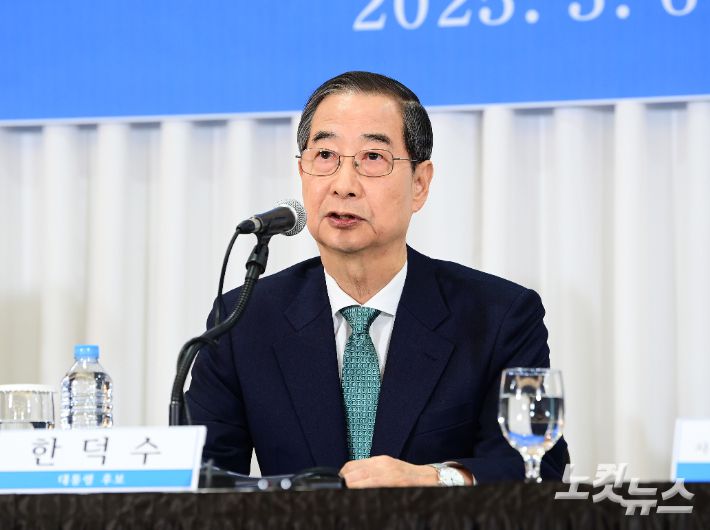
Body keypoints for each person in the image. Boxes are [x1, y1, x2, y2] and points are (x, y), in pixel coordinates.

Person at [186, 71, 568, 487]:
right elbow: (201, 478)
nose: (343, 185)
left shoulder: (498, 316)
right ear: (302, 172)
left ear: (420, 184)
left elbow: (537, 467)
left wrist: (434, 479)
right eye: (325, 155)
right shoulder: (243, 318)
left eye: (372, 158)